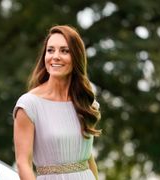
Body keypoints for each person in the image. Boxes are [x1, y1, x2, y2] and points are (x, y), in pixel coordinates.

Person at [13, 25, 101, 180]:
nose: (55, 56)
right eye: (50, 50)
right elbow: (23, 163)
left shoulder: (86, 101)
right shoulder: (29, 105)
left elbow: (88, 158)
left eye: (64, 51)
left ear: (76, 57)